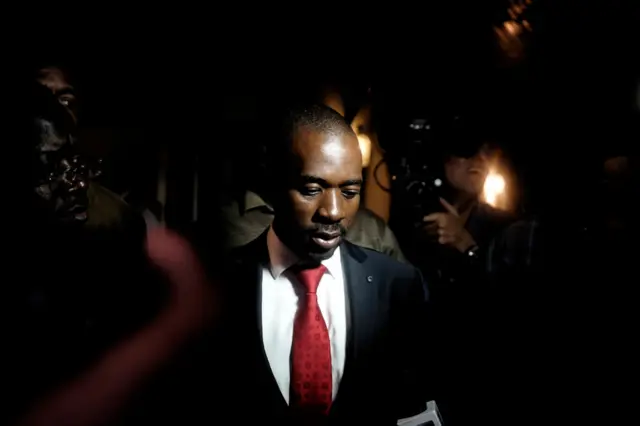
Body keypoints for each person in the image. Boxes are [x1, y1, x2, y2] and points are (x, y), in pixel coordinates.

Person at [194, 104, 429, 425]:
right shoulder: (213, 288)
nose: (333, 211)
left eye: (349, 191)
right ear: (273, 182)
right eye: (311, 189)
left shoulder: (399, 286)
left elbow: (417, 406)